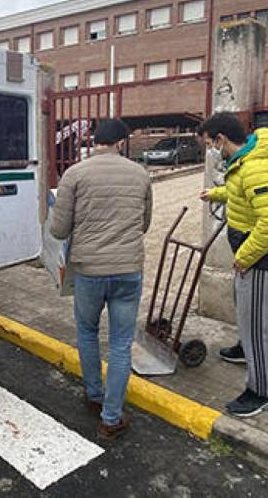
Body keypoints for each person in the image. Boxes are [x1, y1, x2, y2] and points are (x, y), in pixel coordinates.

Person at [49, 118, 152, 441]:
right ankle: (111, 418)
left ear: (95, 142)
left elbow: (58, 230)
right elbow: (145, 224)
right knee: (121, 344)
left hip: (89, 271)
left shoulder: (74, 174)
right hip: (128, 270)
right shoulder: (140, 174)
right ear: (121, 143)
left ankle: (95, 396)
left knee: (88, 332)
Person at [198, 113, 268, 418]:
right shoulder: (245, 161)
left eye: (210, 144)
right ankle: (245, 350)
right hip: (257, 255)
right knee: (244, 306)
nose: (211, 151)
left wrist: (244, 257)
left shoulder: (255, 167)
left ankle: (260, 391)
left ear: (221, 139)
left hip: (264, 258)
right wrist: (215, 193)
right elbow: (241, 192)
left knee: (256, 325)